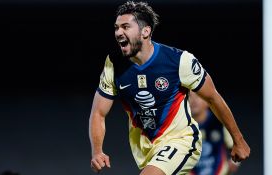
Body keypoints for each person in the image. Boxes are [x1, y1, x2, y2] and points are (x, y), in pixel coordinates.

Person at [88, 1, 250, 175]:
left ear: (145, 31)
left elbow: (213, 97)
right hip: (146, 151)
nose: (118, 32)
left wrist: (238, 140)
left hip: (181, 141)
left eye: (125, 27)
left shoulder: (179, 61)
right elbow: (98, 113)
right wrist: (97, 150)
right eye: (116, 27)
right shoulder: (113, 64)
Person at [189, 92, 240, 175]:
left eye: (198, 96)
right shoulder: (182, 127)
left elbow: (236, 146)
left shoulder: (219, 122)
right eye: (189, 97)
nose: (194, 101)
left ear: (208, 101)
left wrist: (235, 163)